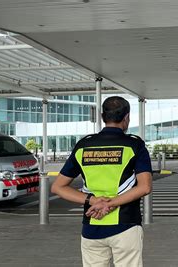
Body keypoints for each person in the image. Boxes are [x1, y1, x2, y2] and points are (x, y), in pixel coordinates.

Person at [51, 96, 152, 267]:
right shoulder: (134, 145)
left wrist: (93, 200)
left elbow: (58, 187)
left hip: (92, 225)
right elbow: (145, 186)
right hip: (125, 225)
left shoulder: (83, 145)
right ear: (126, 117)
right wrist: (110, 204)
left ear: (102, 116)